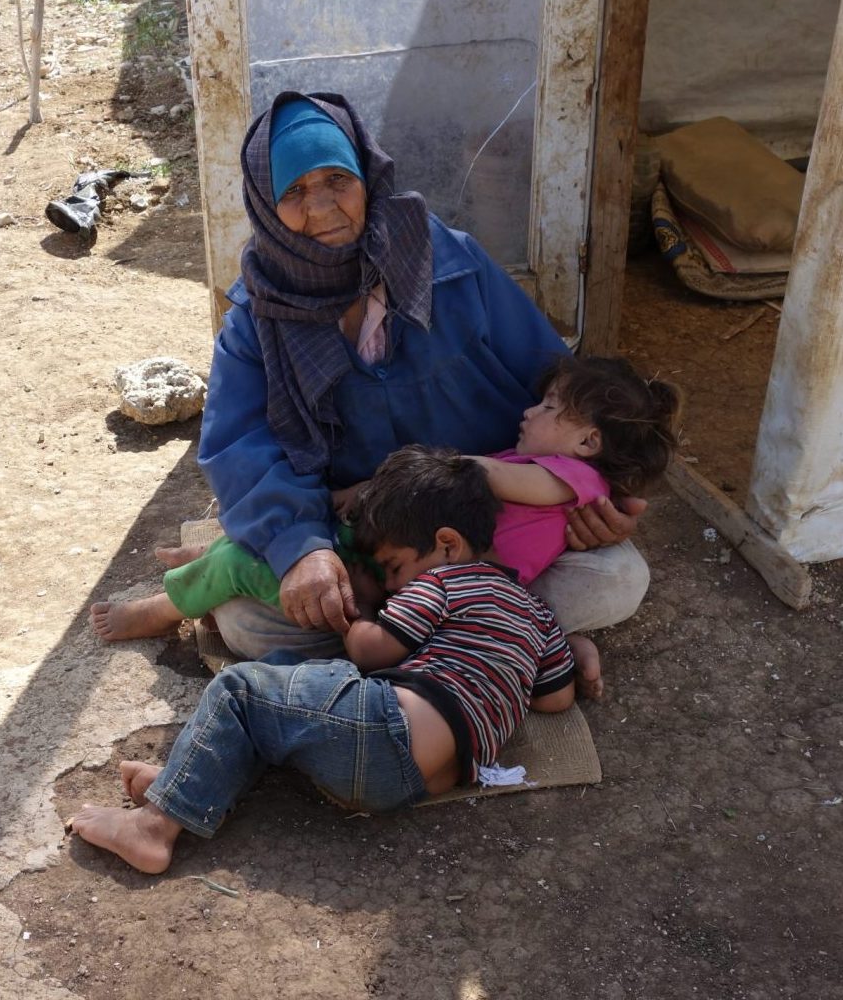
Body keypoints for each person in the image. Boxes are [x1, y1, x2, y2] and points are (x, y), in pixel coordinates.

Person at [95, 91, 648, 661]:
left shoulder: (453, 265)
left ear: (368, 176)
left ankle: (408, 636)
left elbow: (559, 389)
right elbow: (241, 448)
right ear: (263, 203)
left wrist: (596, 497)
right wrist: (302, 549)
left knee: (616, 579)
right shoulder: (257, 317)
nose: (323, 208)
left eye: (338, 180)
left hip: (488, 527)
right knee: (253, 627)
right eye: (294, 192)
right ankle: (494, 639)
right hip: (356, 532)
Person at [71, 447, 586, 874]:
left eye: (392, 566)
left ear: (446, 545)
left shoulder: (441, 581)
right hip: (425, 781)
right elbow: (556, 697)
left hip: (388, 729)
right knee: (281, 703)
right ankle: (187, 778)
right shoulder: (535, 610)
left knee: (242, 691)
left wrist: (359, 609)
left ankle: (154, 827)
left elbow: (369, 649)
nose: (390, 584)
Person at [91, 356, 680, 703]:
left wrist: (412, 473)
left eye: (550, 407)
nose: (529, 411)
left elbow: (482, 476)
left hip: (429, 583)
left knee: (255, 574)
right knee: (300, 547)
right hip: (427, 572)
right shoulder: (541, 467)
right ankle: (228, 553)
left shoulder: (568, 476)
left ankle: (171, 604)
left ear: (588, 442)